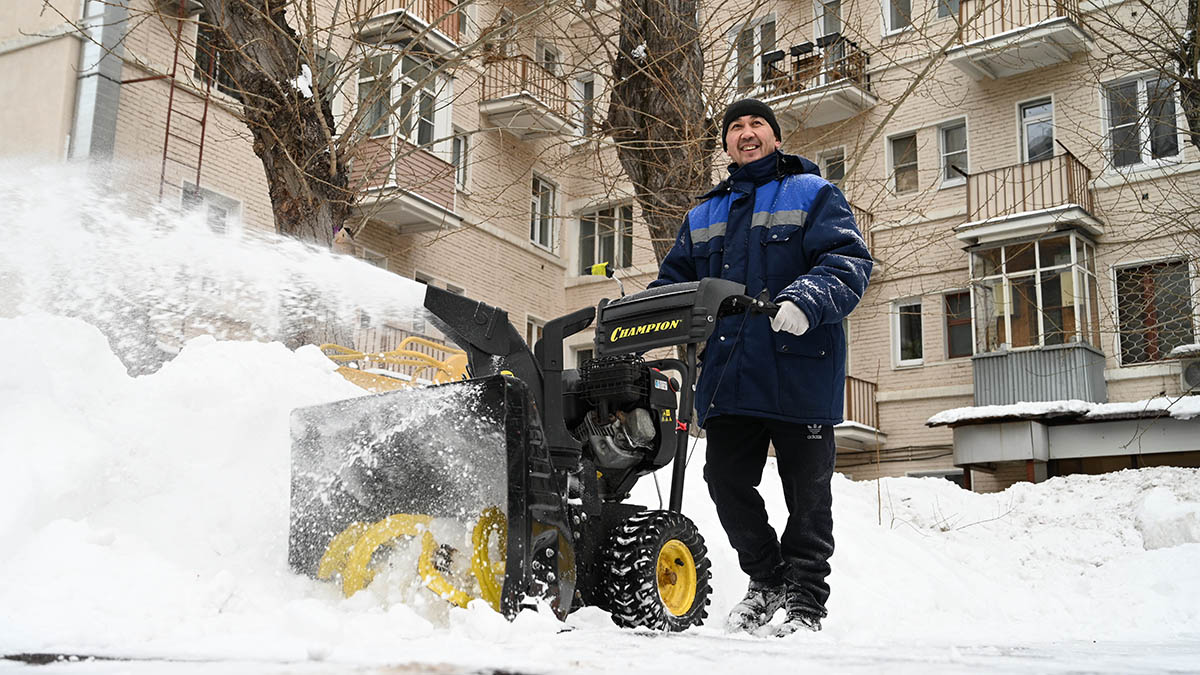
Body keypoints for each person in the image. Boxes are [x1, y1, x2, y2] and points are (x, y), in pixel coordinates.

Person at [649, 98, 872, 636]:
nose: (746, 133)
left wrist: (806, 300)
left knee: (807, 496)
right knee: (725, 481)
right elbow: (675, 283)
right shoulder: (703, 215)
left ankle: (806, 601)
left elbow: (848, 261)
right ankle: (768, 579)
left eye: (757, 124)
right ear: (726, 142)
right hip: (730, 375)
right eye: (735, 127)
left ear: (775, 136)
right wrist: (644, 320)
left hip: (800, 370)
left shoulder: (813, 193)